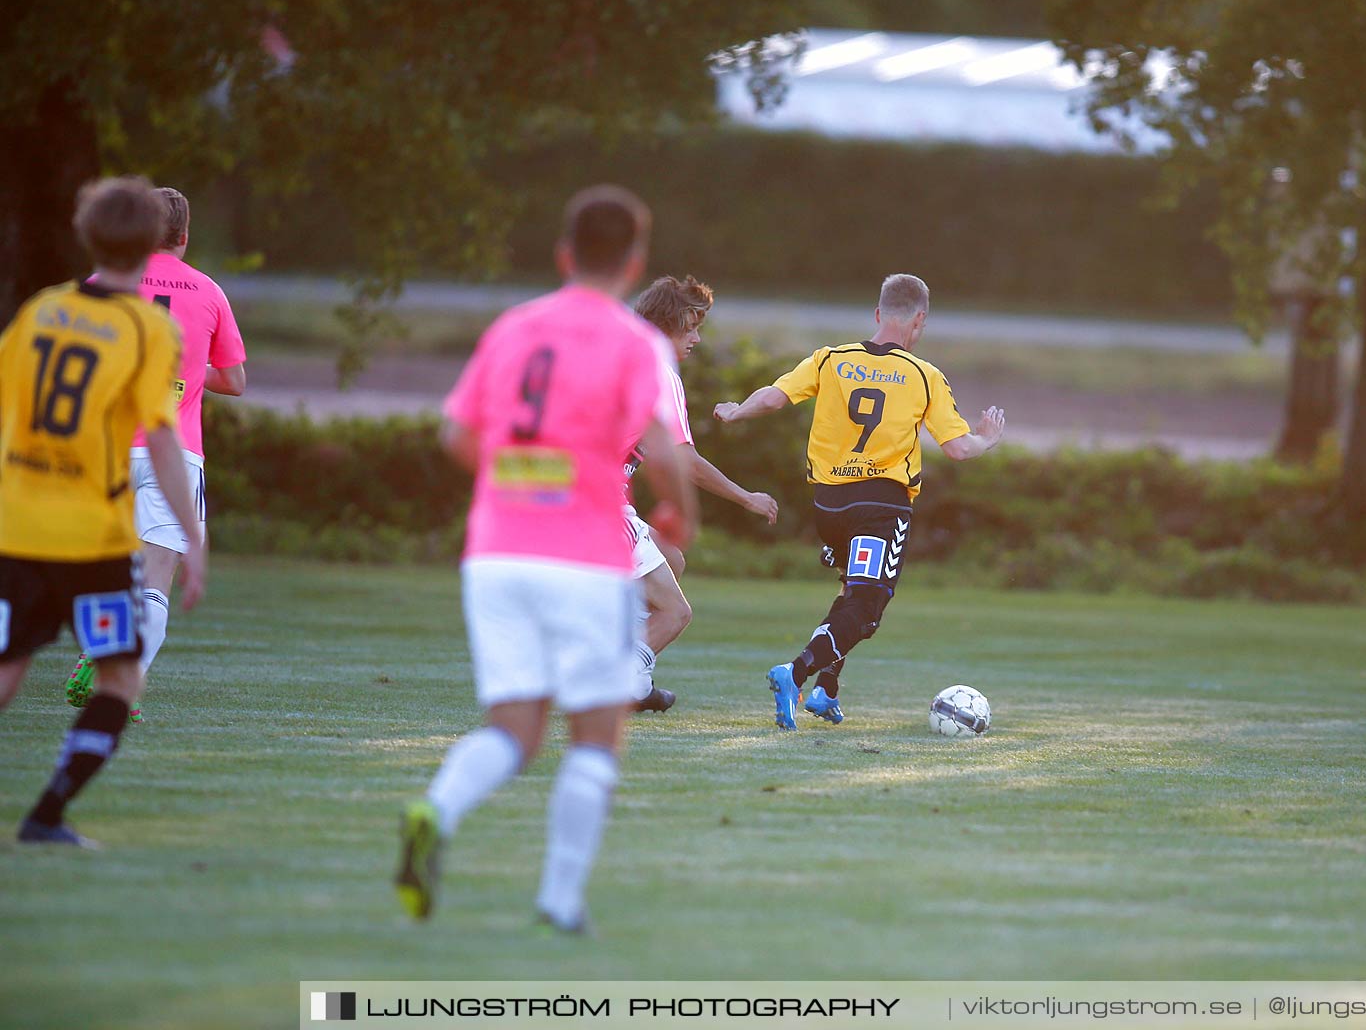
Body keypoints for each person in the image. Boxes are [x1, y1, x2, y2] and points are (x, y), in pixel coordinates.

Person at [394, 184, 697, 934]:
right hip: (584, 558)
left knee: (513, 730)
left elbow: (457, 436)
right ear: (635, 263)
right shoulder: (637, 345)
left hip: (495, 555)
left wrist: (521, 481)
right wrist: (679, 517)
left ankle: (436, 810)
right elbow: (661, 448)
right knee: (596, 735)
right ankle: (560, 902)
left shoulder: (515, 326)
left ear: (564, 254)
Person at [0, 177, 208, 847]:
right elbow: (166, 439)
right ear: (155, 242)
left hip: (20, 525)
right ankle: (49, 812)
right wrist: (194, 537)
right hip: (93, 541)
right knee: (119, 676)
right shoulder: (147, 329)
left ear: (86, 236)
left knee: (8, 668)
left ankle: (47, 818)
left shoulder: (43, 310)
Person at [713, 273, 1004, 729]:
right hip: (880, 509)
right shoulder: (923, 376)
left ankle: (826, 691)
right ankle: (796, 673)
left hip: (829, 508)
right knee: (866, 610)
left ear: (877, 314)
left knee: (852, 594)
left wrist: (736, 411)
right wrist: (986, 439)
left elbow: (774, 397)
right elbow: (958, 448)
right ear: (919, 320)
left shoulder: (831, 359)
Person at [64, 186, 246, 722]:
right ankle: (122, 679)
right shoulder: (208, 291)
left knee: (101, 569)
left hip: (106, 447)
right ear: (185, 237)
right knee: (155, 580)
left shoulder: (103, 286)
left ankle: (101, 652)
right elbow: (234, 380)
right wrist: (187, 375)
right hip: (176, 453)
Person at [623, 275, 778, 712]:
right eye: (690, 327)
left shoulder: (619, 357)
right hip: (600, 502)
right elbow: (682, 460)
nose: (696, 339)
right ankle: (623, 679)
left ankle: (631, 672)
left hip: (575, 495)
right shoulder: (659, 372)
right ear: (668, 322)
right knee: (676, 613)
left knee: (670, 559)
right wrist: (746, 497)